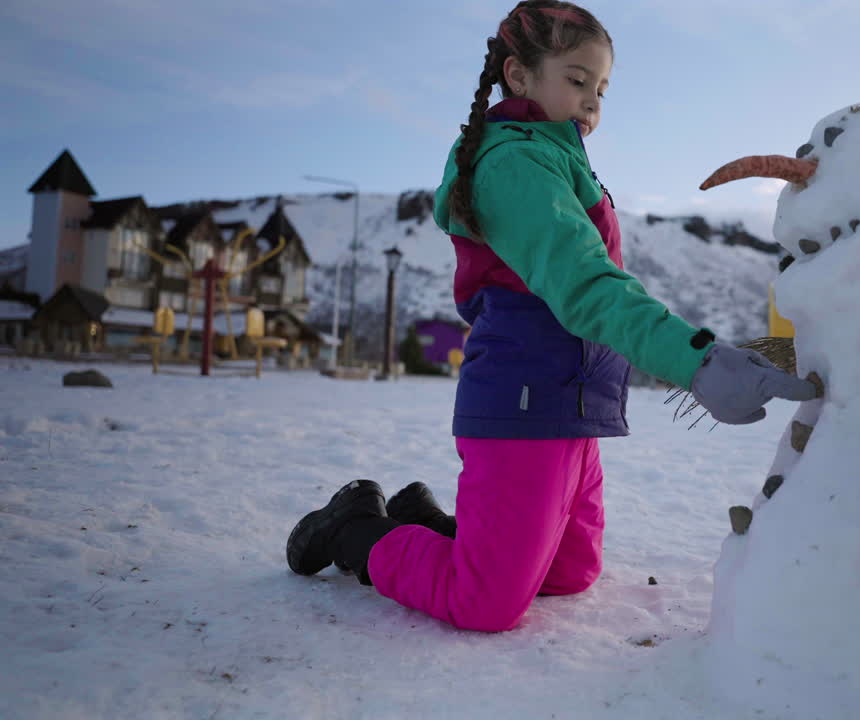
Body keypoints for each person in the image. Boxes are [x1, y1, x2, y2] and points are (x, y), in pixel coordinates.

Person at [286, 0, 816, 632]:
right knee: (484, 603)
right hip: (522, 402)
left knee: (569, 574)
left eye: (601, 89)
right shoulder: (514, 164)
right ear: (519, 75)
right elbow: (587, 286)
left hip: (573, 403)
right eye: (576, 79)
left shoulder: (558, 156)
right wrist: (696, 360)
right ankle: (353, 530)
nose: (592, 102)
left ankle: (433, 528)